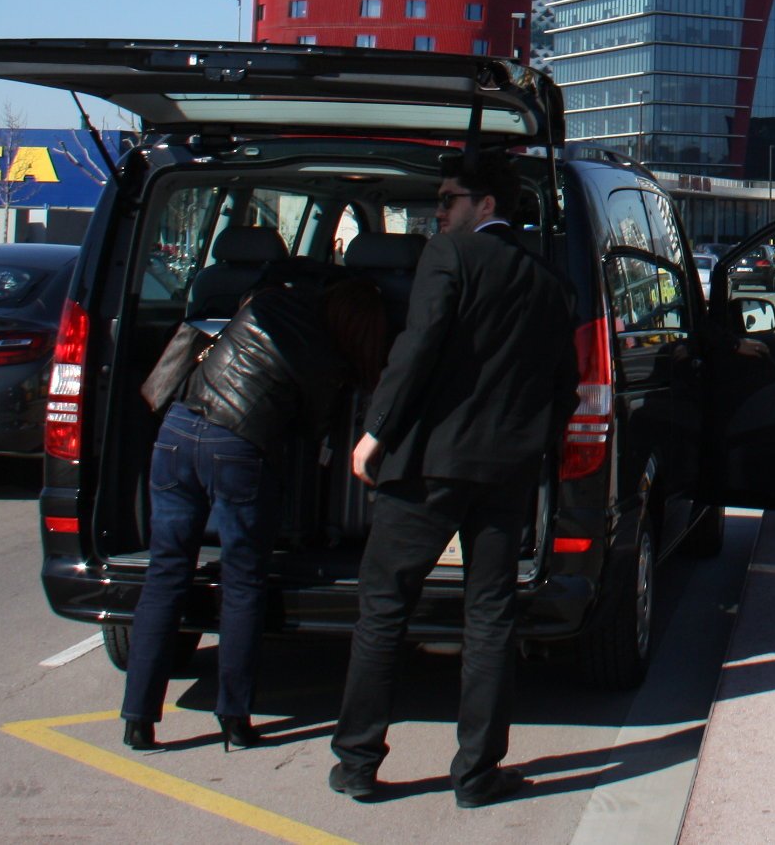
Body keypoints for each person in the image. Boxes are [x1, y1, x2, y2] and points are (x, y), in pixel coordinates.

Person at [331, 152, 573, 810]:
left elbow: (419, 345)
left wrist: (376, 430)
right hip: (505, 473)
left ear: (485, 205)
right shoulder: (550, 282)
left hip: (427, 467)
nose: (438, 212)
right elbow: (564, 386)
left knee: (384, 606)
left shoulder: (451, 256)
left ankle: (357, 760)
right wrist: (530, 445)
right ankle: (476, 772)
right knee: (490, 616)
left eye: (447, 199)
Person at [121, 265, 386, 752]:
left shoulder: (266, 299)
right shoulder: (327, 360)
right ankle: (235, 719)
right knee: (243, 584)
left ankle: (138, 718)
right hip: (238, 450)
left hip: (176, 434)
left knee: (165, 576)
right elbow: (312, 434)